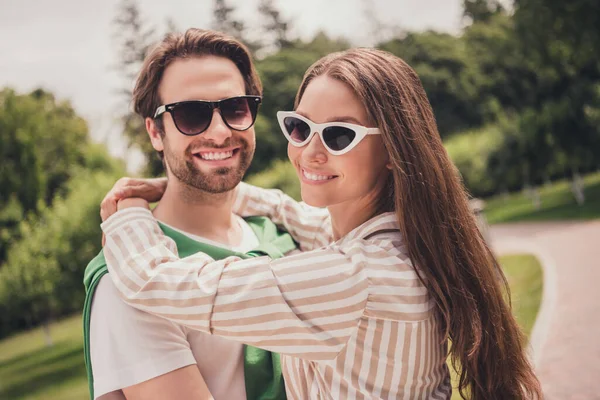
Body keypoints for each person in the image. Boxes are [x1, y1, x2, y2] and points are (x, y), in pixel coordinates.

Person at [101, 48, 543, 399]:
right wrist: (184, 181)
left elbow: (155, 280)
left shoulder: (355, 276)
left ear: (393, 150)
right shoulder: (396, 237)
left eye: (338, 135)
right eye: (300, 128)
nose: (310, 153)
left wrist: (127, 212)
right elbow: (299, 216)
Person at [84, 28, 295, 400]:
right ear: (154, 132)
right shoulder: (130, 282)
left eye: (235, 108)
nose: (219, 131)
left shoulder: (283, 236)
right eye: (191, 114)